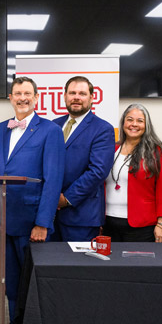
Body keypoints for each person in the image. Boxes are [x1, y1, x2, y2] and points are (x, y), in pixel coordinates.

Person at [0, 76, 64, 324]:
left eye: (27, 93)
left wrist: (43, 222)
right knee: (10, 280)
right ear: (10, 97)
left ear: (36, 97)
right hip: (2, 219)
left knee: (33, 279)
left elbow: (53, 179)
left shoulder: (50, 130)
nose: (22, 98)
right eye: (17, 93)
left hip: (32, 222)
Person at [51, 76, 114, 241]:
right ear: (65, 96)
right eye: (72, 93)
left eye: (82, 93)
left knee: (76, 265)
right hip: (48, 214)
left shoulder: (102, 129)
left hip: (81, 215)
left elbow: (98, 171)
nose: (76, 97)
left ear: (92, 98)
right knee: (49, 264)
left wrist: (66, 199)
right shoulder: (53, 125)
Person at [104, 104, 162, 242]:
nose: (134, 124)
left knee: (135, 263)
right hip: (108, 222)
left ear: (147, 125)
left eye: (140, 121)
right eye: (129, 119)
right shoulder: (111, 148)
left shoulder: (158, 151)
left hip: (142, 225)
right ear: (123, 122)